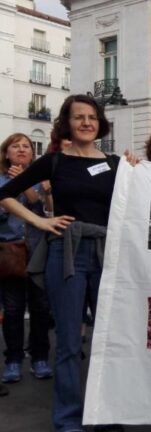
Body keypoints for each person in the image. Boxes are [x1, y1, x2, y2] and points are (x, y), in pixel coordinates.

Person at [0, 94, 135, 432]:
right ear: (67, 123)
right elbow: (4, 194)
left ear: (100, 123)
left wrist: (138, 167)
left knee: (109, 341)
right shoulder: (54, 162)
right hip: (67, 253)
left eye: (92, 117)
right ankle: (68, 420)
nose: (86, 122)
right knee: (70, 345)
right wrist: (41, 222)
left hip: (108, 253)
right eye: (79, 117)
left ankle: (107, 417)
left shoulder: (117, 163)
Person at [0, 133, 52, 384]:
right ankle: (13, 359)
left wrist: (22, 184)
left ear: (32, 154)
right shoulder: (0, 180)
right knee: (12, 310)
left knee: (41, 308)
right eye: (15, 146)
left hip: (39, 251)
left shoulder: (43, 179)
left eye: (26, 146)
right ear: (6, 153)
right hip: (11, 252)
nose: (21, 150)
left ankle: (39, 357)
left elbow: (44, 209)